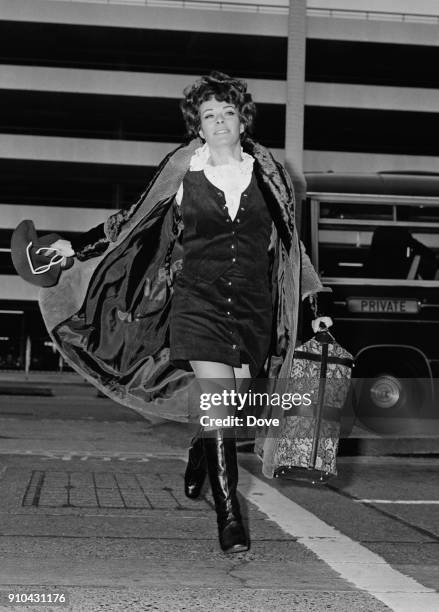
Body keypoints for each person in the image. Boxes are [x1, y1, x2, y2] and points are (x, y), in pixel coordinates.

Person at [44, 72, 332, 554]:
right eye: (208, 115)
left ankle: (201, 454)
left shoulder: (271, 173)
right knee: (220, 403)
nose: (219, 122)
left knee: (231, 411)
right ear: (197, 126)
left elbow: (290, 246)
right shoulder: (183, 167)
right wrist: (74, 245)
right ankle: (229, 518)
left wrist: (315, 301)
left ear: (242, 119)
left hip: (253, 307)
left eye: (227, 113)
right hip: (196, 301)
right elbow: (128, 221)